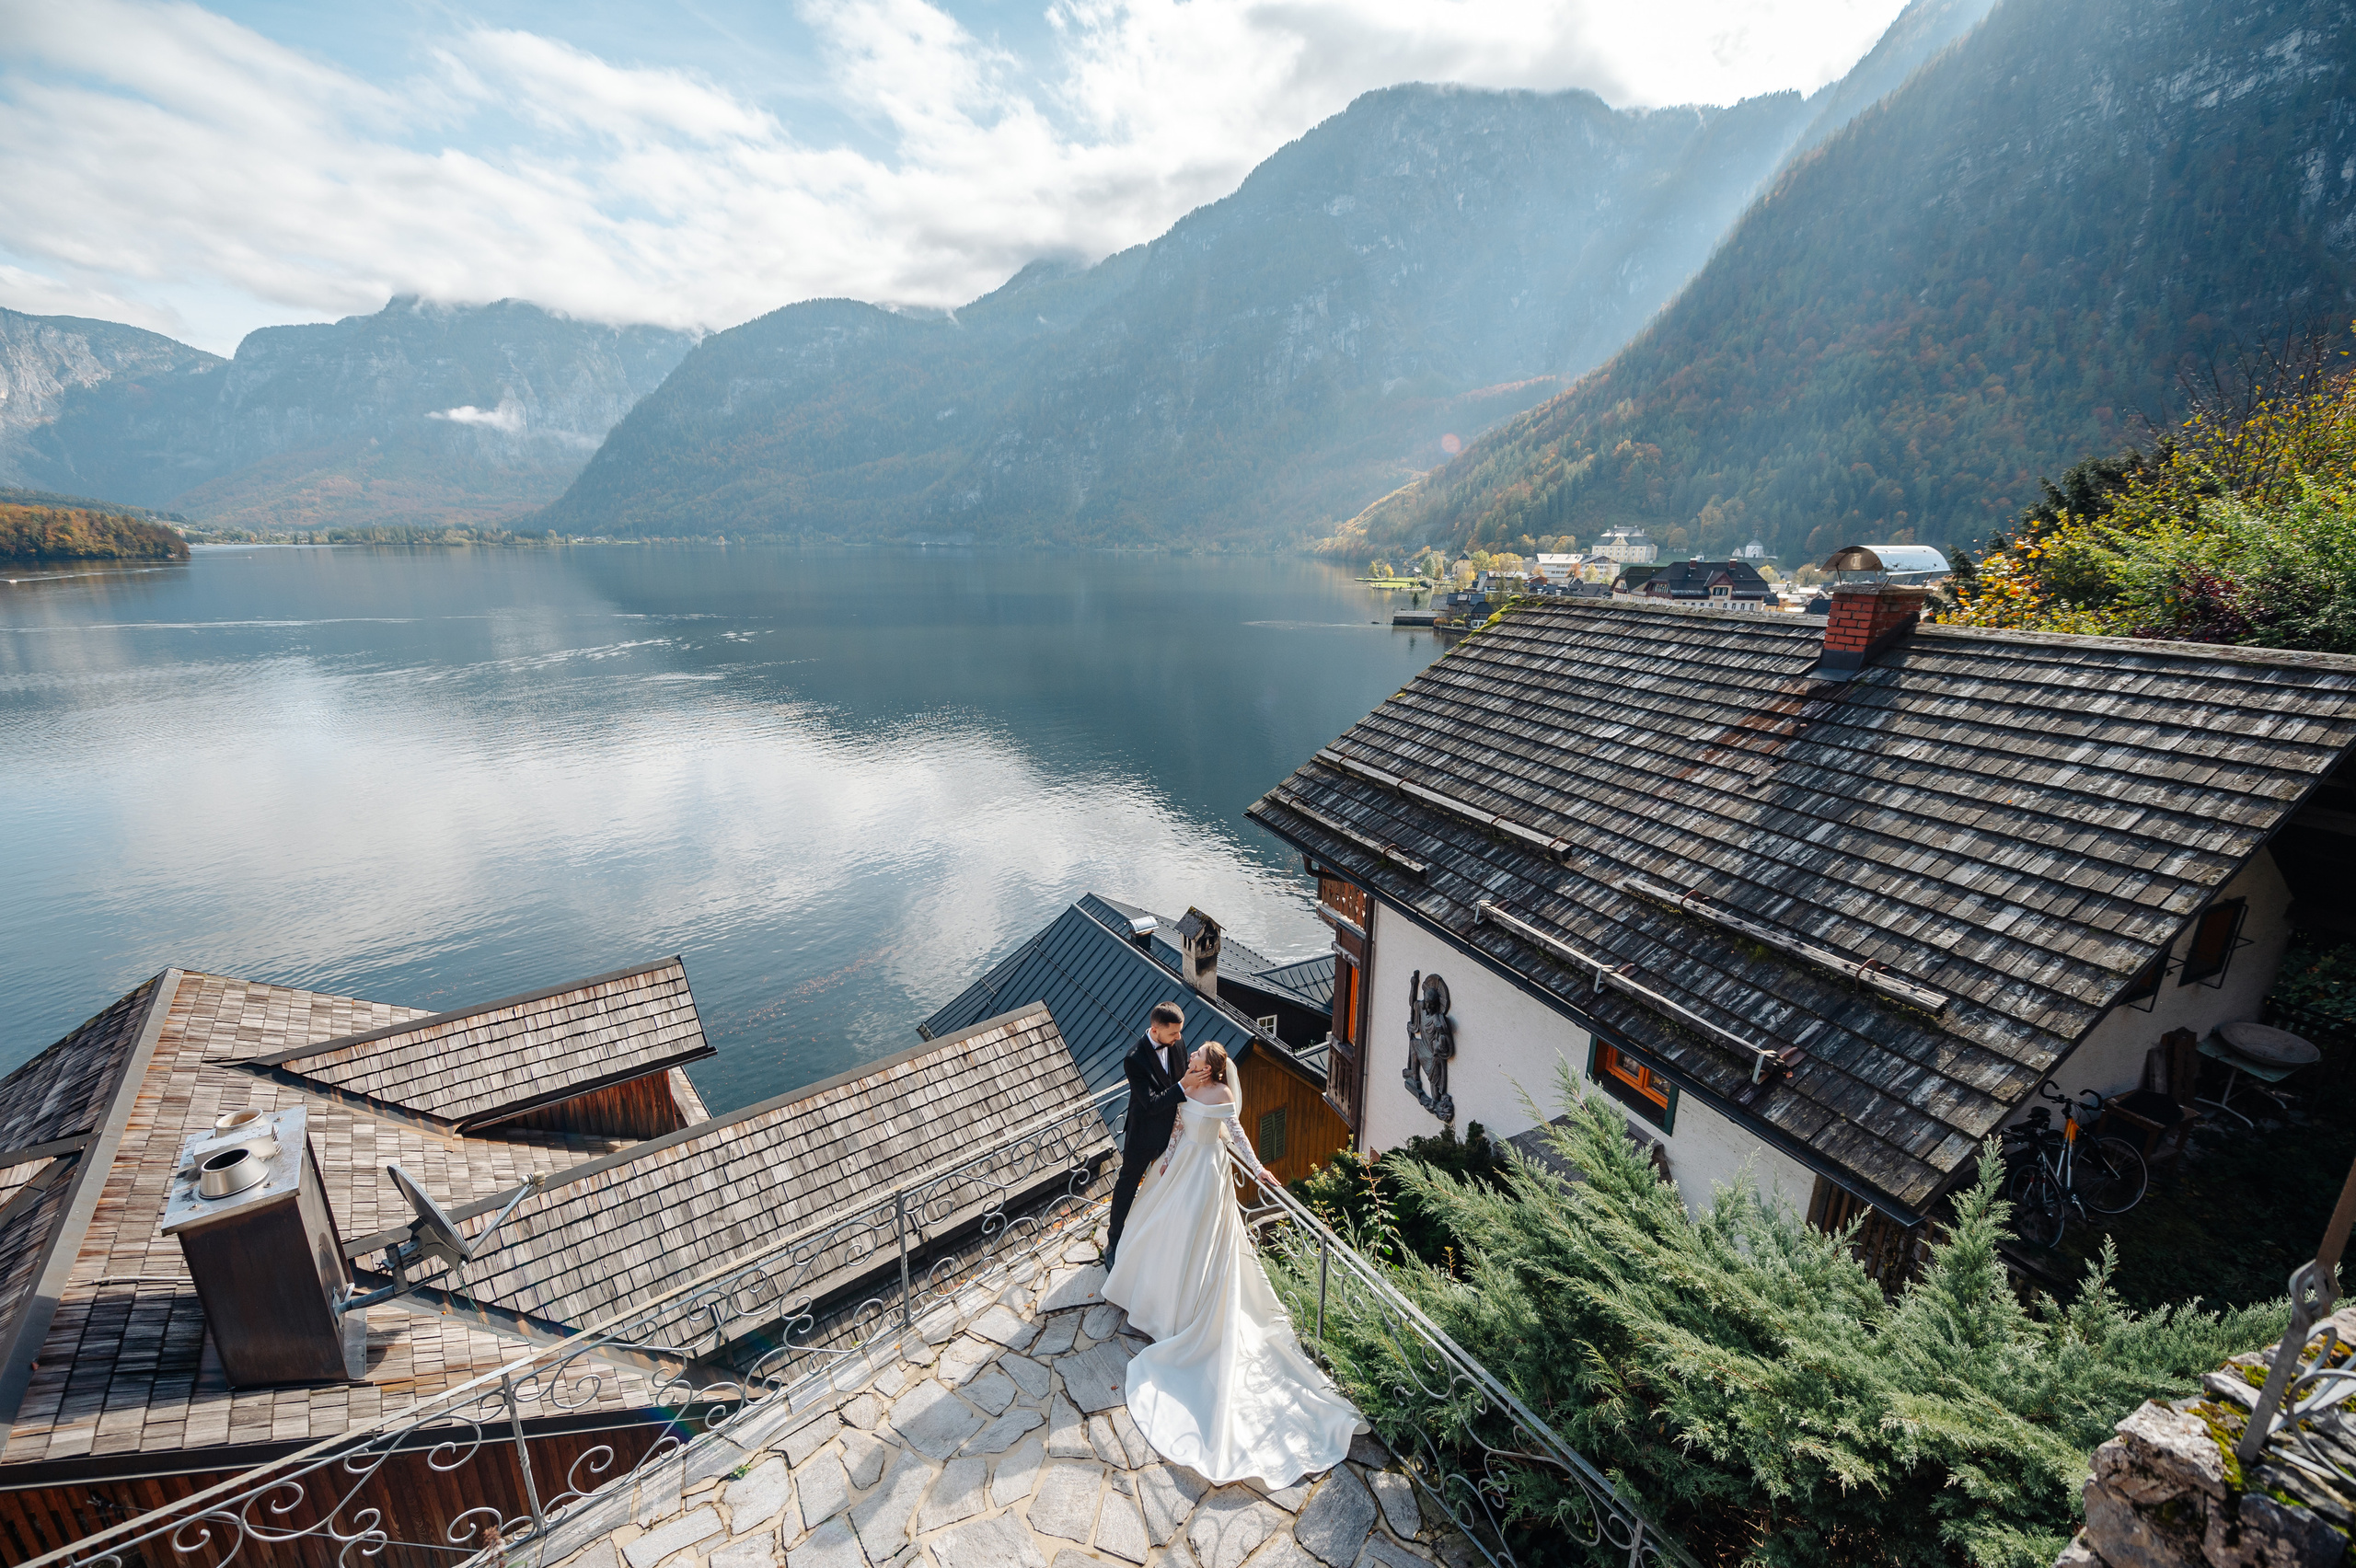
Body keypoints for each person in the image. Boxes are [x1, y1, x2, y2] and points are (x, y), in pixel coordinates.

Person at [1101, 1043, 1364, 1488]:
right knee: (1162, 1228)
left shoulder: (1223, 1095)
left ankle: (1184, 1312)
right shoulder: (1189, 1085)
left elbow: (1236, 1134)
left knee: (1198, 1239)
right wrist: (1164, 1162)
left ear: (1214, 1068)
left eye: (1198, 1060)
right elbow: (1179, 1126)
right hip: (1181, 1164)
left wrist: (1259, 1168)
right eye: (1192, 1060)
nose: (1191, 1063)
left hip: (1209, 1174)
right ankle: (1152, 1299)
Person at [1103, 1001, 1199, 1270]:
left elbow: (1182, 1078)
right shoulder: (1134, 1059)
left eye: (1180, 1032)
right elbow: (1153, 1103)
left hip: (1174, 1134)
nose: (1180, 1038)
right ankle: (1113, 1242)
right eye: (1174, 1033)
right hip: (1143, 1134)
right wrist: (1184, 1085)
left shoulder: (1176, 1042)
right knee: (1127, 1186)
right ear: (1156, 1030)